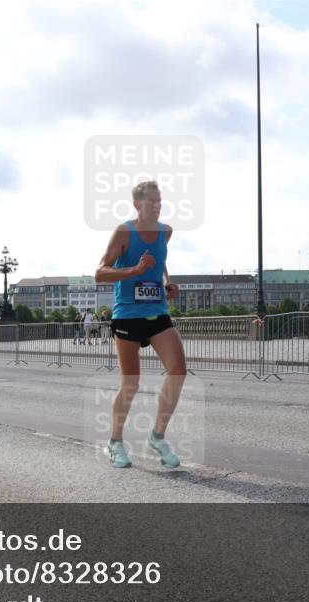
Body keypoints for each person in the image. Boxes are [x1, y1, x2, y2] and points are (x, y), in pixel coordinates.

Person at [95, 180, 184, 469]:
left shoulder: (165, 232)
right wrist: (134, 270)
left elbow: (158, 260)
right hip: (128, 315)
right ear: (137, 204)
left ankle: (158, 436)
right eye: (151, 201)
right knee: (130, 384)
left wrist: (167, 280)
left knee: (178, 370)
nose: (157, 206)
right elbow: (100, 272)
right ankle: (115, 442)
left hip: (157, 312)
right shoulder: (124, 232)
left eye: (160, 201)